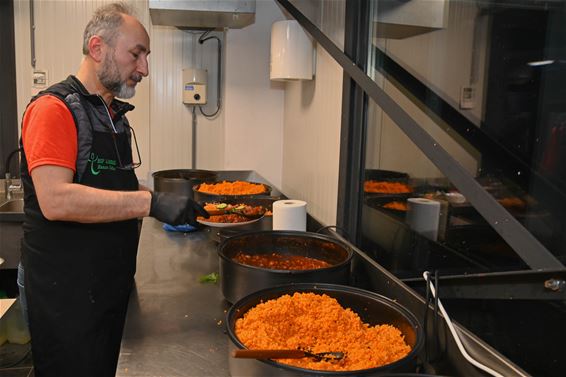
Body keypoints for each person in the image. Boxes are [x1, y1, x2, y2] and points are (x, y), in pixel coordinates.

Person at [18, 3, 208, 376]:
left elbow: (107, 182)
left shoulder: (110, 114)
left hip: (107, 286)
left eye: (147, 56)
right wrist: (150, 202)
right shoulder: (53, 110)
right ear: (97, 48)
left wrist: (170, 202)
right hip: (65, 296)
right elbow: (56, 199)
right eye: (136, 54)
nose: (145, 69)